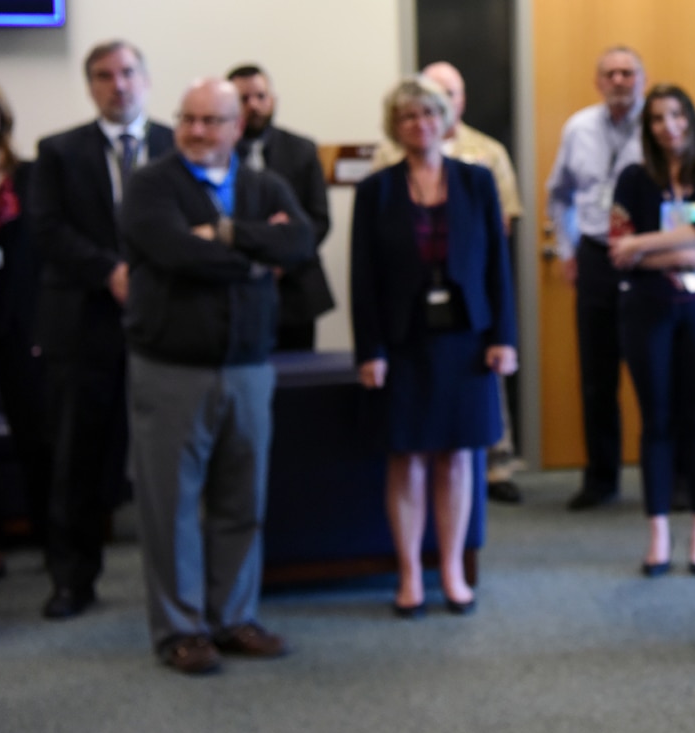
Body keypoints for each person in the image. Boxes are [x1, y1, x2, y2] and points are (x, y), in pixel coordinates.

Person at [118, 78, 313, 675]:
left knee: (242, 499)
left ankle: (234, 618)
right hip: (171, 369)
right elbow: (175, 251)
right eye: (189, 119)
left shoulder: (263, 184)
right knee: (170, 506)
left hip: (249, 368)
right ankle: (182, 630)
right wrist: (256, 257)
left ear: (237, 127)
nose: (198, 132)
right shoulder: (152, 185)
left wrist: (227, 233)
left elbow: (300, 241)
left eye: (212, 121)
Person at [352, 76, 517, 618]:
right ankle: (408, 575)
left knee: (458, 458)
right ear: (394, 128)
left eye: (428, 115)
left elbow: (498, 266)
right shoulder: (375, 191)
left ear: (445, 121)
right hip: (402, 343)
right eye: (407, 118)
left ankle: (451, 569)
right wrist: (369, 351)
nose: (418, 125)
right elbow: (364, 278)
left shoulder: (476, 182)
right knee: (408, 459)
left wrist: (504, 339)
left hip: (466, 342)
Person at [30, 40, 175, 620]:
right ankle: (72, 578)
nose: (118, 85)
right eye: (104, 76)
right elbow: (46, 230)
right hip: (85, 325)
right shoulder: (58, 151)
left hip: (166, 324)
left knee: (168, 458)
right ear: (90, 85)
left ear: (145, 77)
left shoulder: (174, 142)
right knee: (79, 457)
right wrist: (109, 271)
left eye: (128, 73)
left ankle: (174, 583)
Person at [376, 60, 526, 505]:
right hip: (410, 303)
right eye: (412, 111)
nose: (423, 120)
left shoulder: (487, 154)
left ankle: (498, 464)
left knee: (479, 387)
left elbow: (503, 223)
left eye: (445, 97)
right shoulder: (387, 160)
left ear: (454, 104)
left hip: (467, 294)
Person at [609, 85, 695, 576]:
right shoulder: (634, 179)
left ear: (691, 118)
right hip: (649, 308)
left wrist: (647, 246)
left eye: (677, 115)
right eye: (658, 118)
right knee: (656, 420)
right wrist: (689, 248)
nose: (669, 126)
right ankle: (659, 533)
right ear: (648, 128)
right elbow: (619, 249)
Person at [545, 46, 645, 510]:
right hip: (595, 257)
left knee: (657, 375)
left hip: (648, 259)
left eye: (628, 72)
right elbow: (558, 195)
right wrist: (567, 250)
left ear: (641, 78)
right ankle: (601, 479)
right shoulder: (579, 128)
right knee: (597, 378)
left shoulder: (666, 122)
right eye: (610, 73)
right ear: (597, 81)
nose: (620, 80)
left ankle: (673, 477)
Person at [0, 75, 48, 590]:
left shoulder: (32, 176)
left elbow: (46, 254)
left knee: (37, 433)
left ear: (1, 114)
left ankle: (52, 536)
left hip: (22, 324)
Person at [226, 64, 335, 351]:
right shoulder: (218, 153)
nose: (254, 106)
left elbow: (320, 220)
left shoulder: (302, 149)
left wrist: (281, 261)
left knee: (298, 384)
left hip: (296, 290)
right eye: (244, 98)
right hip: (234, 288)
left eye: (260, 96)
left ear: (272, 100)